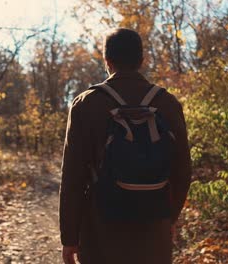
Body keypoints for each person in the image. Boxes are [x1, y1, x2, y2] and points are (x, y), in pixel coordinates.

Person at [59, 28, 192, 264]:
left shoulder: (86, 104)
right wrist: (170, 218)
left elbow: (73, 177)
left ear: (107, 61)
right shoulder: (167, 103)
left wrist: (69, 238)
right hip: (154, 226)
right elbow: (182, 170)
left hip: (101, 229)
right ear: (141, 61)